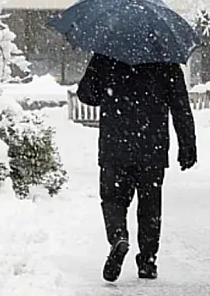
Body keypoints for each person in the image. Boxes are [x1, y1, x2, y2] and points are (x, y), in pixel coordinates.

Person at [76, 53, 197, 283]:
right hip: (152, 144)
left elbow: (86, 94)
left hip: (115, 144)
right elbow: (180, 104)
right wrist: (187, 144)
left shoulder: (107, 53)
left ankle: (118, 236)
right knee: (150, 204)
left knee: (113, 198)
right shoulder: (166, 59)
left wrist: (107, 90)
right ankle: (148, 261)